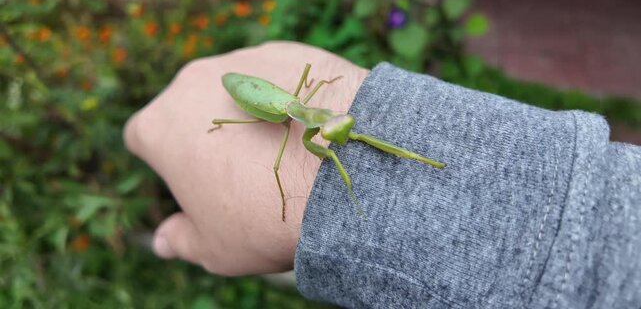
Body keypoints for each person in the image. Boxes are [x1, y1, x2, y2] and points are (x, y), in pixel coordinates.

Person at [123, 41, 641, 308]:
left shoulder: (319, 120)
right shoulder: (299, 127)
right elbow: (291, 160)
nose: (341, 132)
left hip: (287, 102)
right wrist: (289, 201)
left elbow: (342, 128)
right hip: (257, 100)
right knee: (282, 159)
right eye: (337, 126)